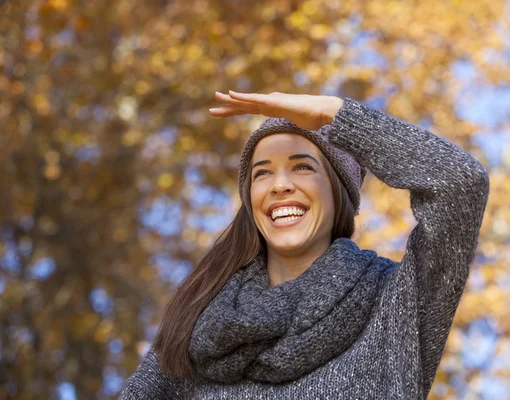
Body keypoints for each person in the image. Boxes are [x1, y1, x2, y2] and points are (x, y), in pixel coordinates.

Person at [120, 91, 490, 399]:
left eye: (302, 167)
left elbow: (459, 183)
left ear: (337, 192)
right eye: (261, 173)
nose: (279, 185)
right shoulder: (199, 322)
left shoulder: (395, 303)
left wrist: (332, 113)